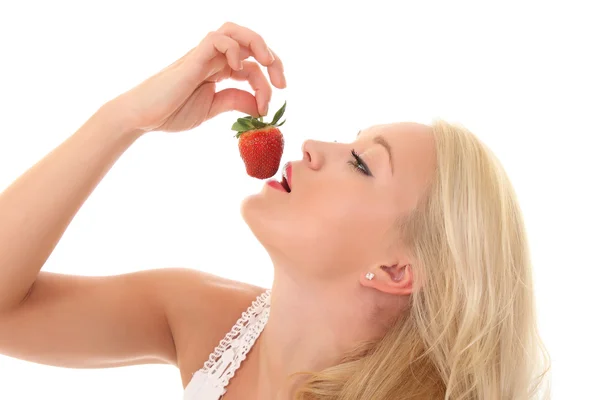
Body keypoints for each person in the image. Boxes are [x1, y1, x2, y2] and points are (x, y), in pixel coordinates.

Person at [0, 22, 550, 400]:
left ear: (395, 271)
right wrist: (124, 119)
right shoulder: (202, 318)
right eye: (349, 141)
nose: (311, 146)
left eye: (361, 164)